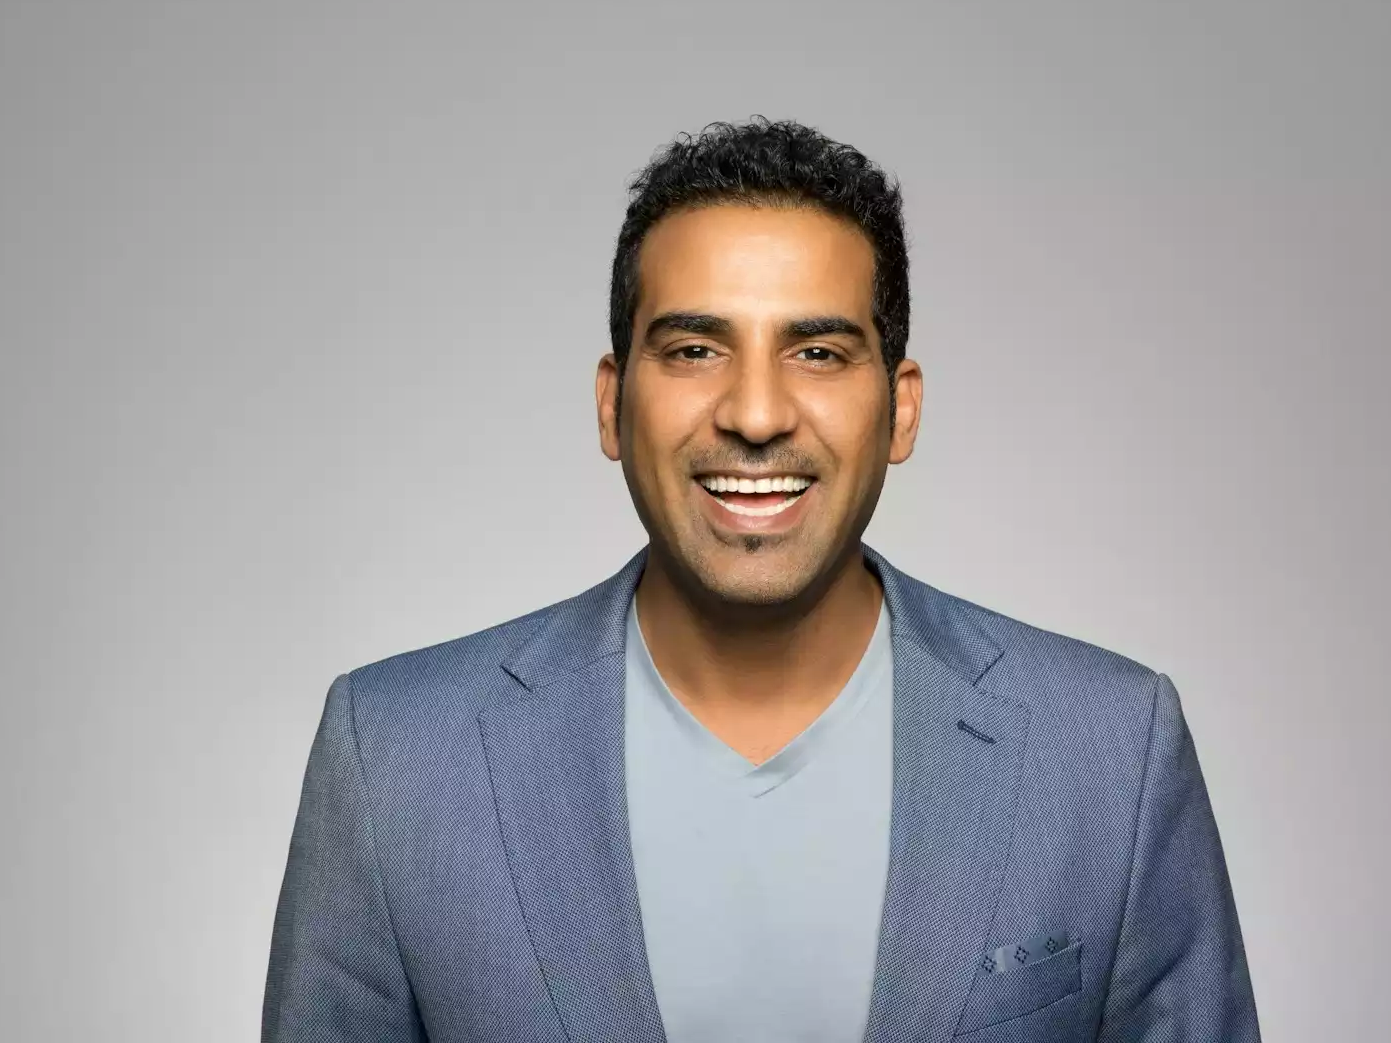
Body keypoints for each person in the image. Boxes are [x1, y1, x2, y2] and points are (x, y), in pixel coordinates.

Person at [262, 118, 1261, 1042]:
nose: (754, 413)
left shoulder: (1110, 752)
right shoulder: (395, 760)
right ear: (612, 404)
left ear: (901, 409)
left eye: (818, 351)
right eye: (695, 349)